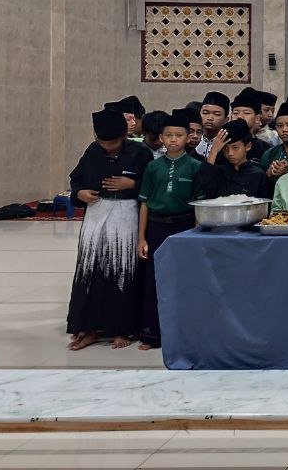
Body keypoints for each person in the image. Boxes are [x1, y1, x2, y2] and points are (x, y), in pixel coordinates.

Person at [66, 109, 152, 351]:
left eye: (113, 143)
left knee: (122, 269)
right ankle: (89, 328)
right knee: (90, 270)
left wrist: (133, 184)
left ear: (124, 135)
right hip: (96, 214)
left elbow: (152, 184)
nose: (108, 148)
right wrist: (80, 194)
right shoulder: (93, 151)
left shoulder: (140, 152)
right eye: (103, 143)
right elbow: (77, 180)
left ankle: (122, 328)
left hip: (126, 216)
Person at [136, 111, 203, 350]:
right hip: (156, 227)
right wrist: (141, 238)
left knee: (184, 280)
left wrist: (196, 235)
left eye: (179, 135)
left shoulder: (196, 167)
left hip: (184, 226)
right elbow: (144, 203)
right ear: (161, 138)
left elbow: (199, 205)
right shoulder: (153, 167)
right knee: (154, 280)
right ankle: (151, 334)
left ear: (188, 137)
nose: (174, 139)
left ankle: (184, 333)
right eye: (169, 135)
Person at [194, 119, 271, 199]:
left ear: (248, 146)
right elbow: (204, 191)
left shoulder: (258, 174)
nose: (230, 153)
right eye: (225, 148)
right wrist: (214, 151)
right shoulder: (218, 172)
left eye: (235, 147)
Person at [259, 103, 288, 181]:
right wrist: (268, 174)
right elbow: (259, 183)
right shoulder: (270, 154)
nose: (284, 130)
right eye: (280, 126)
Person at [228, 94, 270, 164]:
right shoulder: (223, 144)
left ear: (257, 118)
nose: (240, 116)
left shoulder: (266, 149)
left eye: (246, 113)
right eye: (235, 113)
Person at [194, 92, 229, 158]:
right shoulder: (192, 139)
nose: (210, 118)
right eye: (205, 113)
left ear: (226, 120)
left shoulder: (228, 143)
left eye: (217, 114)